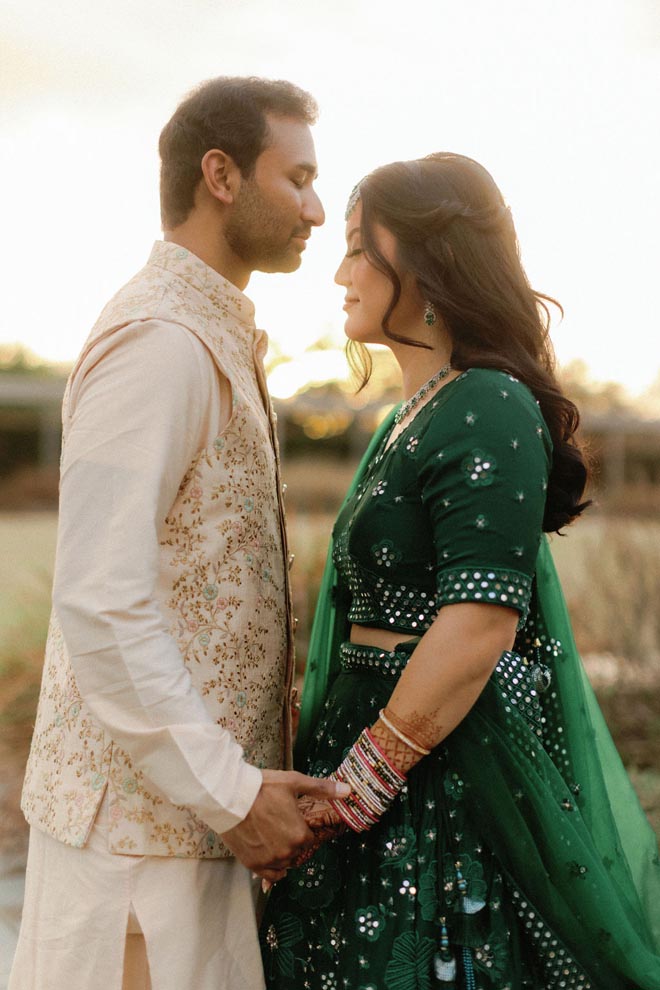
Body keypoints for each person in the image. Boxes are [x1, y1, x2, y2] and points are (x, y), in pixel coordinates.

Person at [260, 153, 660, 990]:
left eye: (361, 247)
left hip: (435, 775)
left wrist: (362, 784)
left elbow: (479, 621)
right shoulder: (411, 413)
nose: (339, 272)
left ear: (429, 263)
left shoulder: (486, 402)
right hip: (373, 745)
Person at [8, 76, 350, 990]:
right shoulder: (159, 340)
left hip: (187, 837)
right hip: (130, 861)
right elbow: (101, 598)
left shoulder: (211, 331)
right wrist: (234, 793)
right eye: (300, 178)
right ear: (222, 175)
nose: (318, 209)